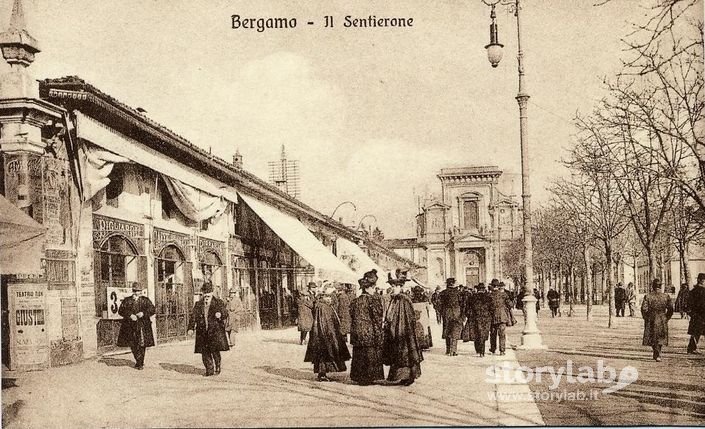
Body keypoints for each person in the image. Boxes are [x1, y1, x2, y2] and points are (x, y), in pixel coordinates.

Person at [304, 286, 351, 382]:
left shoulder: (325, 306)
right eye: (327, 297)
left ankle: (323, 373)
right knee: (324, 354)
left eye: (330, 297)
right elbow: (323, 322)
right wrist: (329, 334)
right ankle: (322, 374)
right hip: (324, 334)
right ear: (322, 297)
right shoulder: (322, 307)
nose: (330, 299)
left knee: (325, 354)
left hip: (326, 333)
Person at [383, 277, 423, 385]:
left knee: (406, 353)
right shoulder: (393, 299)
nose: (393, 288)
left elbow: (410, 317)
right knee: (397, 353)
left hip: (405, 332)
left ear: (400, 287)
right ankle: (400, 376)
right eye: (392, 286)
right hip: (395, 330)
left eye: (395, 286)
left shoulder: (404, 299)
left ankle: (408, 377)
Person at [350, 270, 385, 386]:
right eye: (373, 288)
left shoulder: (356, 301)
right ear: (369, 288)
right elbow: (377, 316)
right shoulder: (372, 300)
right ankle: (370, 377)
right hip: (370, 332)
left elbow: (351, 315)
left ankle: (359, 377)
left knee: (359, 354)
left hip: (357, 332)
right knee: (370, 354)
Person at [188, 281, 230, 376]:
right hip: (202, 332)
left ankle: (217, 365)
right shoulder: (198, 304)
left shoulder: (218, 302)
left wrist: (220, 315)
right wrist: (190, 328)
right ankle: (209, 369)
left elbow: (225, 313)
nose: (206, 298)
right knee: (205, 352)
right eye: (205, 296)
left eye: (208, 296)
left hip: (215, 331)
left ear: (211, 294)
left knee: (215, 351)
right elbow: (193, 317)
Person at [116, 282, 155, 370]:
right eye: (136, 291)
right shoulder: (127, 300)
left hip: (143, 325)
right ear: (133, 291)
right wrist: (130, 315)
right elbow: (121, 310)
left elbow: (152, 309)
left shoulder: (145, 300)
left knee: (142, 343)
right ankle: (138, 360)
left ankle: (140, 362)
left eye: (140, 291)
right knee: (133, 344)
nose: (138, 293)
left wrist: (144, 313)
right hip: (130, 326)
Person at [641, 279, 673, 361]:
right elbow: (670, 309)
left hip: (651, 318)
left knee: (652, 336)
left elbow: (644, 309)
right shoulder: (666, 296)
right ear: (660, 286)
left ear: (652, 286)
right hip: (662, 318)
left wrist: (646, 318)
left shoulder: (648, 296)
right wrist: (666, 317)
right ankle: (658, 352)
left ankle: (656, 352)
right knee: (661, 337)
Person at [465, 283, 493, 357]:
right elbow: (492, 309)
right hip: (485, 318)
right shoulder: (488, 297)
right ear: (484, 289)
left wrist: (469, 316)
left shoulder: (472, 297)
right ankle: (482, 352)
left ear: (477, 289)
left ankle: (478, 350)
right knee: (483, 334)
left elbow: (467, 308)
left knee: (476, 333)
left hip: (475, 318)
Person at [438, 277, 464, 356]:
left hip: (446, 313)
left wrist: (442, 312)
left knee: (447, 330)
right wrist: (462, 314)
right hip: (456, 313)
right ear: (453, 283)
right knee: (455, 331)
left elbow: (439, 304)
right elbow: (463, 304)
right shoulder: (459, 293)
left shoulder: (443, 293)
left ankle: (448, 349)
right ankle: (454, 350)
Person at [489, 280, 515, 356]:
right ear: (498, 286)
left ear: (492, 286)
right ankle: (502, 350)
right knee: (502, 334)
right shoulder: (504, 295)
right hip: (502, 317)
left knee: (493, 334)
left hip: (492, 317)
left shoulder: (489, 295)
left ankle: (493, 349)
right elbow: (510, 305)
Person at [411, 282, 433, 350]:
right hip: (423, 315)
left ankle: (417, 344)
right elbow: (428, 307)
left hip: (416, 316)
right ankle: (425, 344)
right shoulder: (424, 298)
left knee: (416, 329)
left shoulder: (412, 299)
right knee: (425, 329)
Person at [687, 273, 705, 354]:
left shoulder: (693, 291)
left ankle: (691, 348)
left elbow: (689, 305)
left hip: (695, 315)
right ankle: (692, 348)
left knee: (695, 332)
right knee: (697, 332)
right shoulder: (703, 291)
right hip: (702, 315)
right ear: (702, 281)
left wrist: (691, 314)